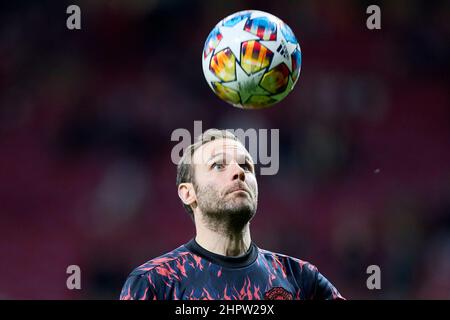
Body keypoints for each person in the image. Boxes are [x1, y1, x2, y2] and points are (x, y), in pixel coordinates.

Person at [120, 129, 344, 300]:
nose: (239, 172)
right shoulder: (155, 281)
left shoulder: (300, 278)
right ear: (188, 193)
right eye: (218, 165)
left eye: (246, 166)